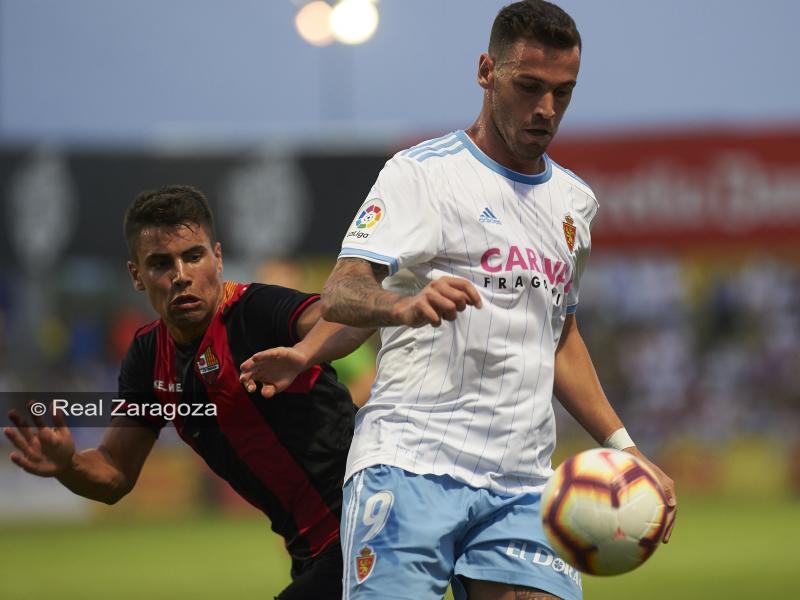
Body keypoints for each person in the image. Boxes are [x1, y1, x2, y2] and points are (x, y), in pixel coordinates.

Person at [316, 2, 678, 599]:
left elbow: (558, 336)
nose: (546, 110)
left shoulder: (574, 203)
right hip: (410, 463)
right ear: (486, 71)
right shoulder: (420, 175)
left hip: (522, 483)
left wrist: (626, 449)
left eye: (563, 93)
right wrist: (400, 306)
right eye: (528, 86)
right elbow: (342, 289)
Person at [4, 185, 370, 600]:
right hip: (312, 551)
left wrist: (303, 353)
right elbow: (114, 474)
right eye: (161, 263)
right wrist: (68, 464)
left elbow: (349, 318)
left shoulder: (252, 311)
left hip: (365, 524)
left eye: (193, 256)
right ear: (137, 275)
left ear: (217, 257)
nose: (181, 275)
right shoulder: (147, 357)